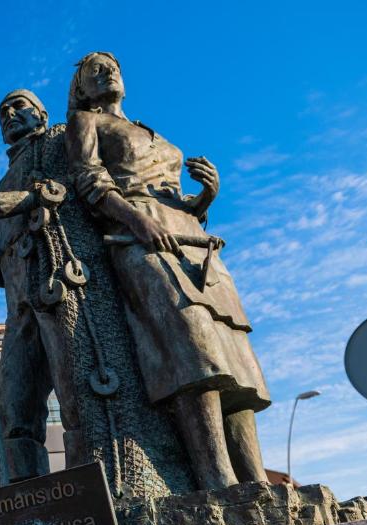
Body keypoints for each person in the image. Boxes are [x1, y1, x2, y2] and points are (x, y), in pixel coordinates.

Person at [64, 51, 270, 490]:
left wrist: (204, 198)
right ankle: (217, 480)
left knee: (233, 357)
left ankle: (255, 481)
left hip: (193, 237)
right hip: (138, 235)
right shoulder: (87, 123)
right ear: (81, 87)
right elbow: (89, 180)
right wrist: (137, 220)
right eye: (95, 70)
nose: (109, 72)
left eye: (113, 66)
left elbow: (176, 195)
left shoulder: (146, 128)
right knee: (191, 349)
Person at [0, 89, 84, 482]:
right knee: (12, 408)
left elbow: (82, 186)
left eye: (19, 106)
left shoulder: (60, 141)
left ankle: (90, 483)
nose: (10, 114)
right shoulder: (2, 179)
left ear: (41, 114)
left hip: (61, 291)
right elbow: (6, 267)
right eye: (2, 112)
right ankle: (27, 498)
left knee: (76, 395)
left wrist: (28, 199)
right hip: (20, 309)